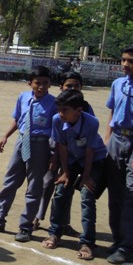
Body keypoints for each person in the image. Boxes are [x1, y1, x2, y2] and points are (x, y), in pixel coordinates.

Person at [0, 66, 56, 242]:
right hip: (21, 142)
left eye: (45, 83)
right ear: (30, 83)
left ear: (50, 84)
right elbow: (18, 119)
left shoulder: (54, 104)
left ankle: (25, 227)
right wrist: (5, 136)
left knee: (34, 187)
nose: (41, 87)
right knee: (9, 182)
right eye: (37, 83)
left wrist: (53, 154)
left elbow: (56, 131)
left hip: (40, 145)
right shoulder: (23, 97)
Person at [41, 90, 107, 260]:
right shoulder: (57, 120)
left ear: (78, 110)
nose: (60, 114)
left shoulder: (91, 122)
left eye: (65, 110)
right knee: (61, 191)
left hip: (93, 160)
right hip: (71, 159)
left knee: (87, 195)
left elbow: (90, 150)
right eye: (59, 110)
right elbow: (62, 146)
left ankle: (87, 242)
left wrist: (86, 176)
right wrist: (65, 173)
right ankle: (55, 233)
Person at [33, 71, 94, 234]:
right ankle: (36, 217)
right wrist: (54, 157)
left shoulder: (85, 107)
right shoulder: (57, 105)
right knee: (48, 182)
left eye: (76, 86)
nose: (73, 88)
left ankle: (63, 223)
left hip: (74, 154)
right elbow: (56, 136)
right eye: (69, 86)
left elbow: (89, 134)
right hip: (57, 150)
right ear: (61, 87)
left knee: (67, 187)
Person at [104, 40, 133, 265]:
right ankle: (118, 240)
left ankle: (126, 245)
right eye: (123, 60)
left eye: (131, 61)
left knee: (132, 195)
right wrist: (107, 139)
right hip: (117, 140)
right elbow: (112, 111)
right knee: (115, 194)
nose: (125, 65)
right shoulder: (117, 84)